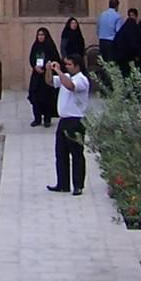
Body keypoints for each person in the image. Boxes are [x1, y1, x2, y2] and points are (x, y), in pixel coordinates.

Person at [44, 53, 91, 195]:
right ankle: (62, 183)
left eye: (69, 64)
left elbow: (71, 86)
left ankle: (78, 185)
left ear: (77, 65)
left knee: (76, 154)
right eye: (66, 64)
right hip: (64, 120)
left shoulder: (81, 79)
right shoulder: (66, 77)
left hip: (75, 121)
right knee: (61, 153)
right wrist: (48, 69)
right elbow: (50, 82)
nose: (67, 67)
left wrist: (59, 71)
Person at [27, 27, 61, 127]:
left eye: (42, 35)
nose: (40, 37)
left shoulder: (50, 46)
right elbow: (32, 58)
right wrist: (35, 66)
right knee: (35, 96)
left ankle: (47, 119)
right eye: (39, 35)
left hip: (47, 76)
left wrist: (48, 67)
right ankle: (37, 119)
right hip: (37, 76)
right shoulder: (35, 46)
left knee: (47, 98)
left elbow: (56, 60)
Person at [114, 8, 141, 80]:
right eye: (130, 15)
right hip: (129, 58)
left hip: (122, 58)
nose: (131, 17)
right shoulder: (135, 29)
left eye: (132, 15)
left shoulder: (124, 29)